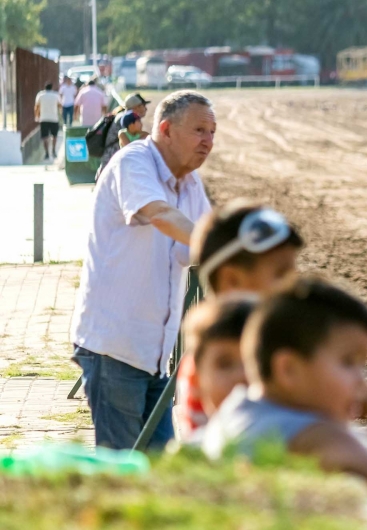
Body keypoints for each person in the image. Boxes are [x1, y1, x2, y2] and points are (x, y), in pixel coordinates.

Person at [202, 278, 367, 530]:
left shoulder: (234, 412)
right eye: (347, 362)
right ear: (288, 370)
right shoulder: (317, 437)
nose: (362, 383)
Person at [71, 90, 216, 450]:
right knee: (124, 472)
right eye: (199, 130)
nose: (208, 141)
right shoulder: (133, 162)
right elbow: (160, 214)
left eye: (212, 132)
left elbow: (202, 246)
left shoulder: (191, 184)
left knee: (153, 470)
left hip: (156, 355)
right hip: (114, 348)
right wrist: (224, 248)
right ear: (165, 129)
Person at [175, 202, 304, 438]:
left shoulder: (259, 340)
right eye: (281, 275)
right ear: (231, 281)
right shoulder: (228, 351)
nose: (292, 287)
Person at [181, 294, 258, 443]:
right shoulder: (191, 456)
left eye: (253, 362)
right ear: (196, 380)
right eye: (225, 364)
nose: (242, 376)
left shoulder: (301, 444)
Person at [100, 93, 151, 172]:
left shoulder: (124, 116)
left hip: (115, 159)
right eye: (142, 105)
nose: (145, 108)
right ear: (136, 107)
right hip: (114, 160)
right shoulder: (128, 118)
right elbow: (129, 142)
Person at [34, 82, 61, 161]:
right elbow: (60, 105)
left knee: (45, 136)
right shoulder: (56, 95)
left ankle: (47, 153)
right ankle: (53, 150)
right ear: (51, 87)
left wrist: (37, 116)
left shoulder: (40, 95)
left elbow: (36, 107)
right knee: (54, 136)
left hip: (44, 118)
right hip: (54, 118)